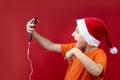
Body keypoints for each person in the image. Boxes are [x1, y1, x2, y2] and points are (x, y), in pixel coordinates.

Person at [26, 17, 118, 80]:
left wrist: (75, 52)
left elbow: (97, 71)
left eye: (77, 32)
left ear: (87, 38)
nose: (73, 34)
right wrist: (34, 33)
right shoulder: (76, 46)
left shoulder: (99, 54)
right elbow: (50, 45)